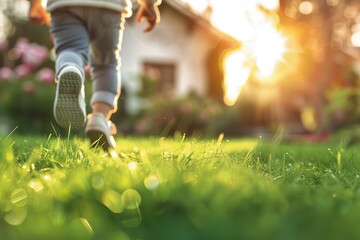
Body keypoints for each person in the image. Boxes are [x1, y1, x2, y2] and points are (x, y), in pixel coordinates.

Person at [28, 0, 161, 151]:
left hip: (64, 5)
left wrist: (34, 3)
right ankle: (100, 117)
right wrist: (149, 4)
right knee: (106, 63)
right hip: (109, 6)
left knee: (70, 50)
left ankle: (70, 68)